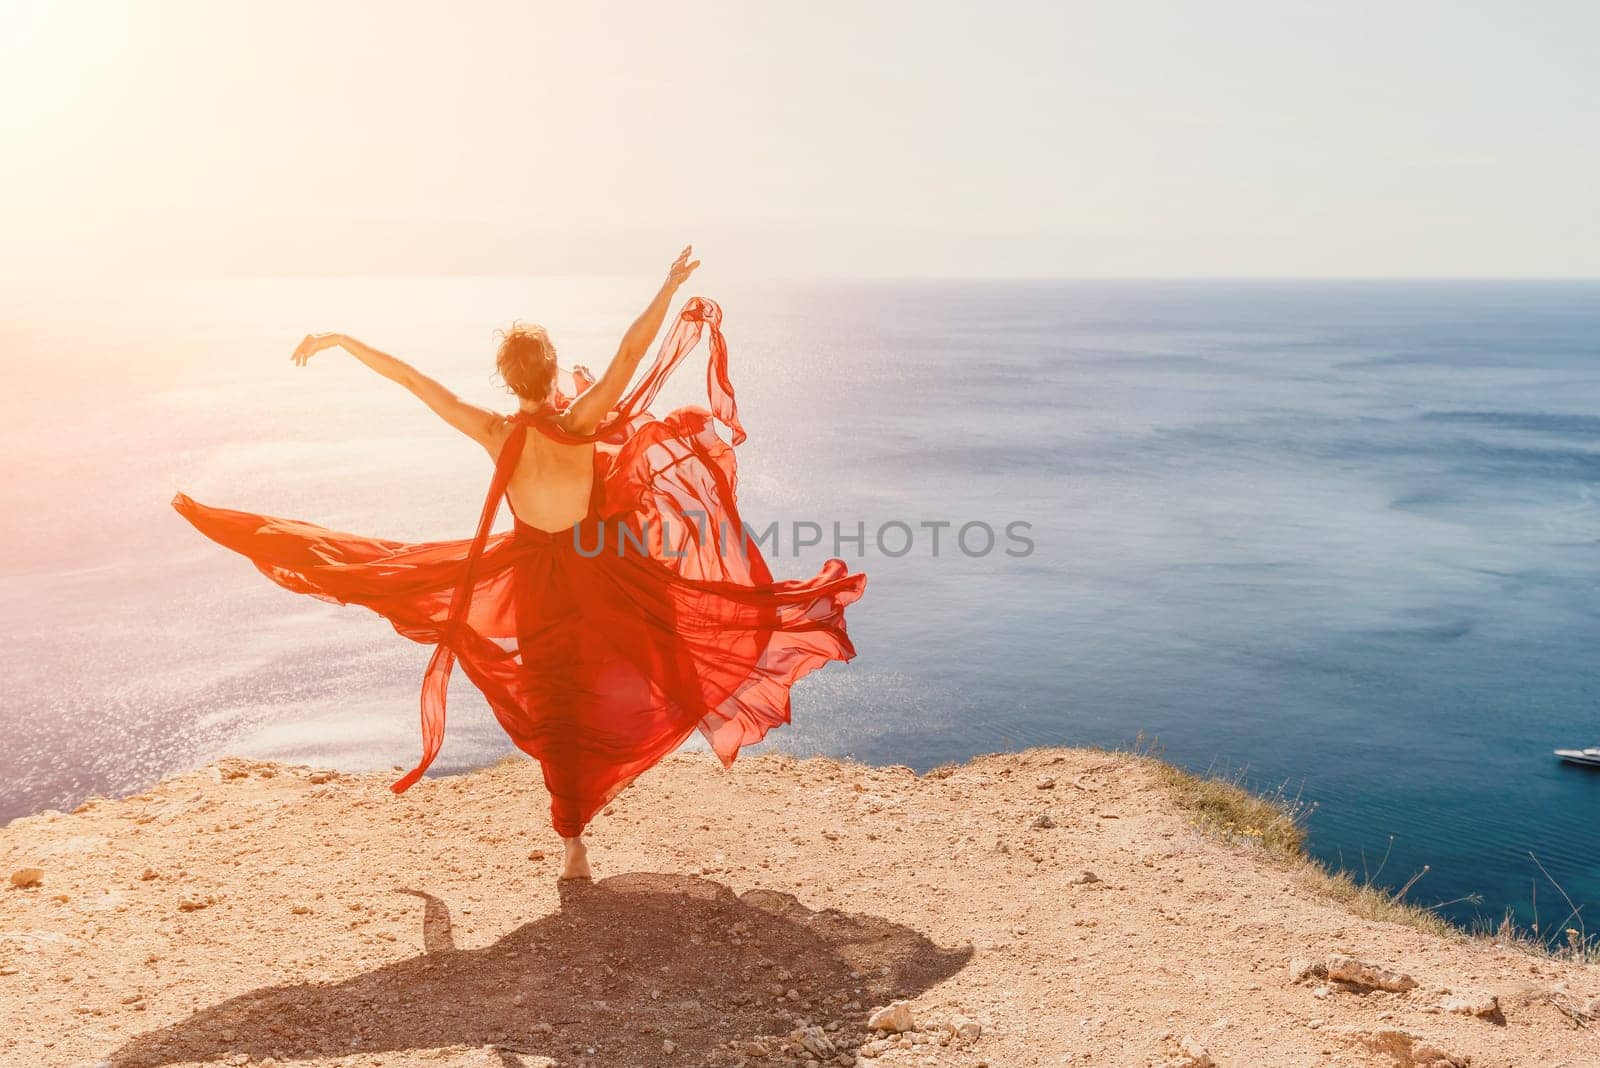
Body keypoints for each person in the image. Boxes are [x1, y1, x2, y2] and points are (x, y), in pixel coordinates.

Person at [174, 247, 866, 880]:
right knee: (670, 642)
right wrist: (665, 287)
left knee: (555, 695)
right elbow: (629, 355)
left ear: (506, 379)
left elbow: (415, 382)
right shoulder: (580, 425)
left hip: (536, 578)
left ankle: (573, 846)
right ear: (552, 368)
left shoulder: (494, 430)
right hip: (600, 571)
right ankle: (628, 764)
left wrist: (341, 341)